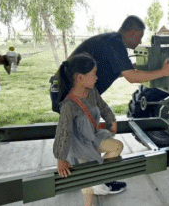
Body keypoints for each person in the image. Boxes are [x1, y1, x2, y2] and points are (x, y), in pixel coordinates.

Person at [53, 54, 125, 202]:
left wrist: (111, 120)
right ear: (80, 78)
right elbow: (63, 132)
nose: (96, 77)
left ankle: (101, 179)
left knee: (117, 146)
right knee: (86, 182)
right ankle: (94, 186)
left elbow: (102, 106)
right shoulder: (69, 105)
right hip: (78, 144)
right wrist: (61, 158)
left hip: (92, 137)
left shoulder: (91, 92)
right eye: (93, 74)